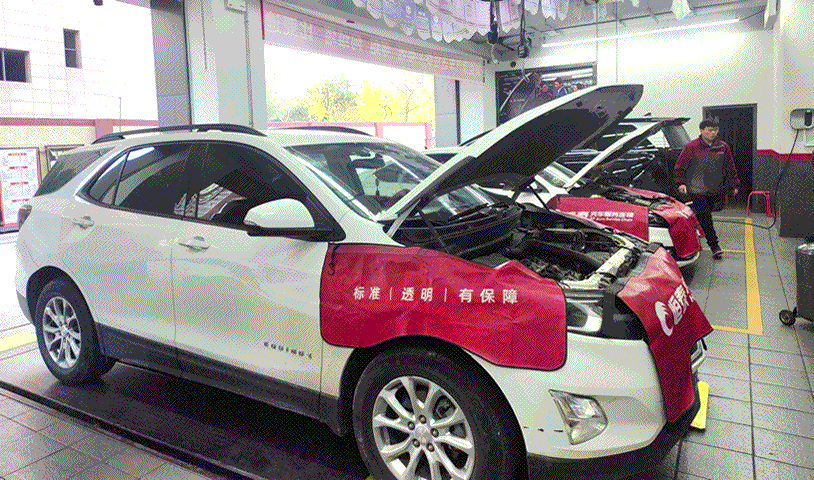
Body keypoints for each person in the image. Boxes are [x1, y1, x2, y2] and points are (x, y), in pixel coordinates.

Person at [674, 119, 740, 259]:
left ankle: (696, 229)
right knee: (706, 216)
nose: (713, 133)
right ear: (702, 130)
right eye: (709, 130)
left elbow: (730, 166)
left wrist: (734, 184)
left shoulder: (723, 147)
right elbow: (680, 166)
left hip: (714, 188)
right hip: (696, 188)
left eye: (715, 130)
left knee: (704, 215)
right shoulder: (691, 147)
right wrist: (681, 183)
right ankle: (714, 246)